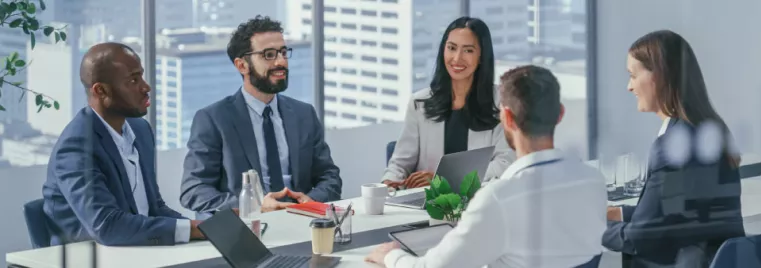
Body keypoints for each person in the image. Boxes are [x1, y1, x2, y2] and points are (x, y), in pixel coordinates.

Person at [366, 65, 608, 268]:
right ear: (560, 114)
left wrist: (390, 255)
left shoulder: (497, 199)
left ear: (507, 118)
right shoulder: (594, 181)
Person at [603, 30, 745, 267]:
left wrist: (587, 225)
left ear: (658, 76)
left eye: (633, 75)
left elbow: (641, 239)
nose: (629, 86)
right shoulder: (707, 130)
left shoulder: (674, 146)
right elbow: (676, 216)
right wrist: (616, 213)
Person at [42, 42, 204, 246]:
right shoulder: (75, 148)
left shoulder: (140, 130)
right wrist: (192, 230)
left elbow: (155, 208)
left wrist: (205, 229)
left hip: (136, 252)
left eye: (141, 76)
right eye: (133, 80)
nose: (146, 87)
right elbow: (107, 226)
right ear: (100, 91)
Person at [179, 15, 342, 215]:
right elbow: (194, 191)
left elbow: (329, 176)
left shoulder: (303, 114)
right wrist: (254, 207)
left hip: (303, 220)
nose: (281, 62)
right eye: (269, 55)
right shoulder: (214, 119)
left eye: (283, 52)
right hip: (247, 229)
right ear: (242, 65)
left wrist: (310, 202)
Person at [381, 17, 513, 189]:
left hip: (478, 202)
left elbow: (504, 164)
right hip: (427, 205)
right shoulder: (420, 103)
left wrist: (445, 180)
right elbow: (399, 164)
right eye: (451, 48)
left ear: (481, 56)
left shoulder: (502, 103)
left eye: (468, 50)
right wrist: (388, 185)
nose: (457, 58)